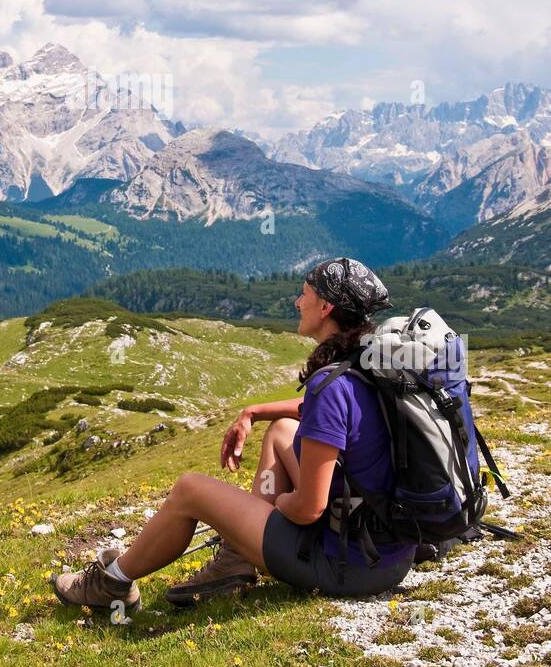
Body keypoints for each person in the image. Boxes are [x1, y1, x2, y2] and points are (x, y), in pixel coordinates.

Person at [51, 257, 418, 612]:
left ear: (325, 307)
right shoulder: (369, 364)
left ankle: (111, 583)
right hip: (387, 554)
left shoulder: (330, 385)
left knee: (190, 489)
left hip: (346, 566)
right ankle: (237, 561)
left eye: (304, 293)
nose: (297, 302)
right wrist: (253, 412)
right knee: (282, 431)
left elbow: (309, 509)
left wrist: (281, 504)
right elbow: (319, 414)